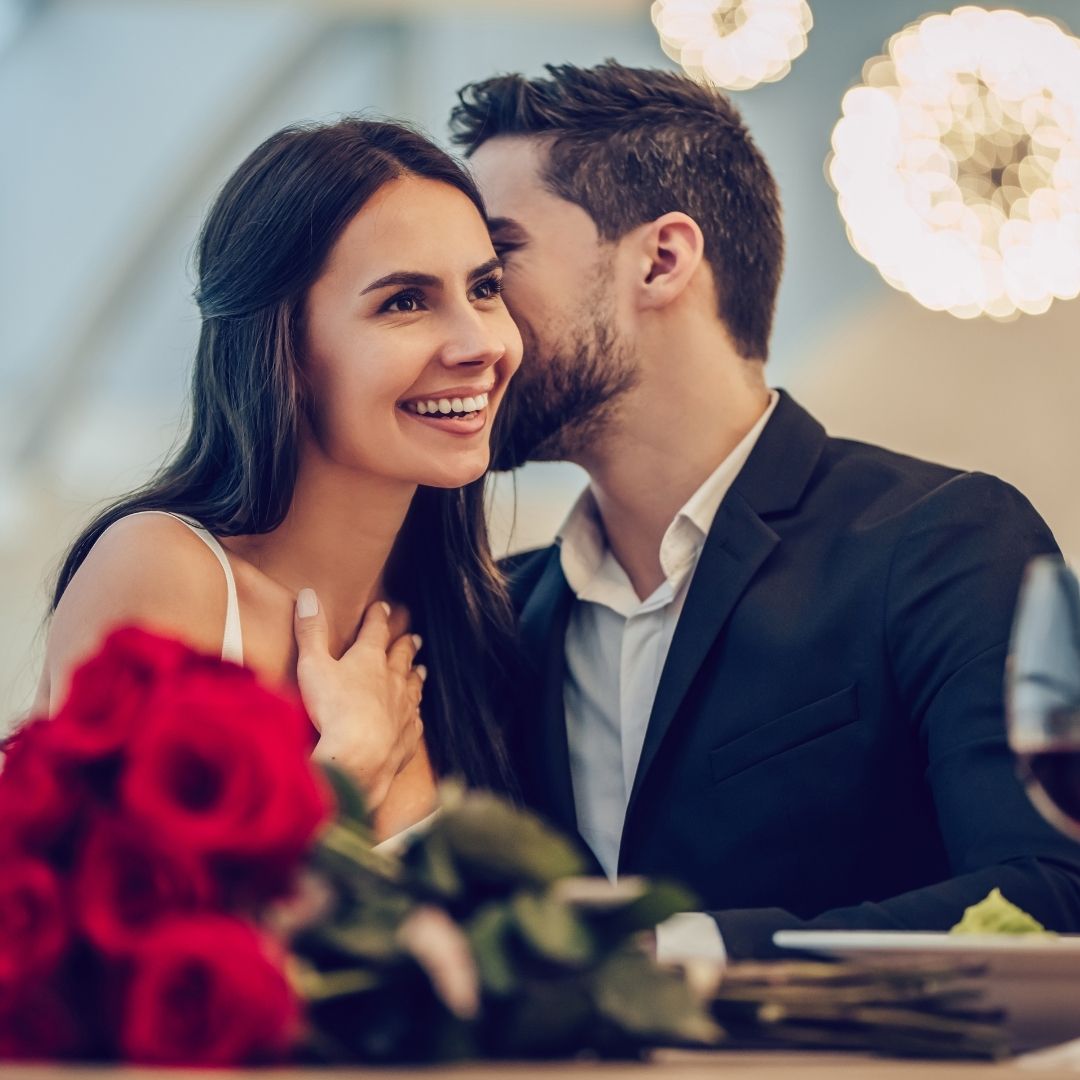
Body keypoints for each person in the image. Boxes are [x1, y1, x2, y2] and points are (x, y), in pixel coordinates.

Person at [443, 61, 1080, 959]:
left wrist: (681, 957)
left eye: (497, 265)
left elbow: (1051, 892)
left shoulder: (945, 541)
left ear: (661, 259)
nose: (471, 327)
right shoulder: (498, 617)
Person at [34, 118, 523, 842]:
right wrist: (346, 776)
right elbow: (96, 934)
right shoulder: (163, 572)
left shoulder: (466, 615)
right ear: (283, 344)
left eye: (484, 288)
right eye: (405, 301)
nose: (480, 343)